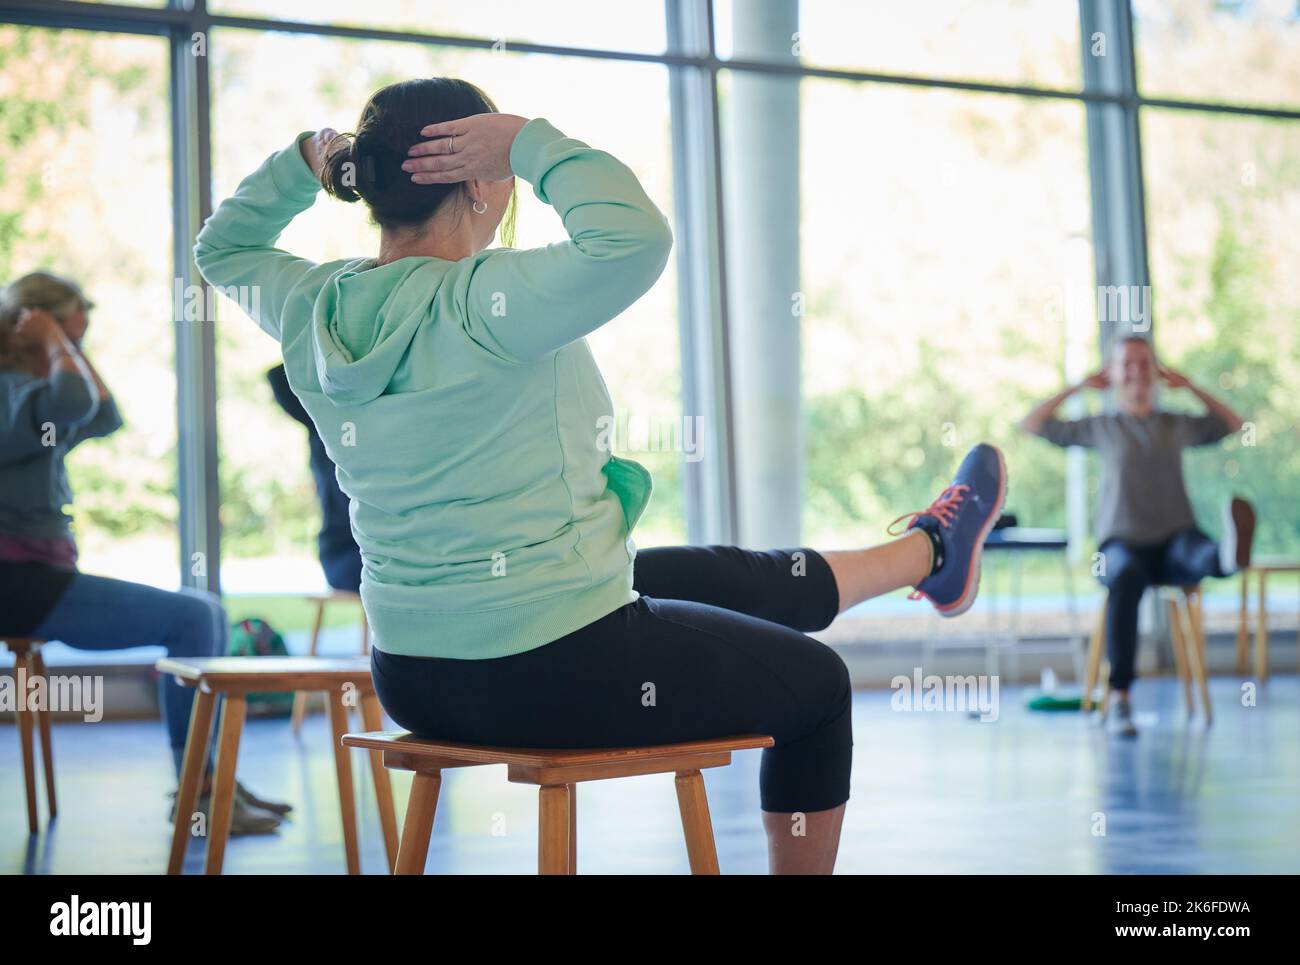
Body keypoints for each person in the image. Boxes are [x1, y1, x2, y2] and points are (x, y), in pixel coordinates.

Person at [194, 77, 1008, 874]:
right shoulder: (488, 300)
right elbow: (636, 237)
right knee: (819, 688)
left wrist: (306, 161)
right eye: (500, 167)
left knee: (701, 575)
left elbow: (220, 248)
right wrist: (530, 142)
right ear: (477, 181)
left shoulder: (312, 307)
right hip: (550, 673)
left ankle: (930, 555)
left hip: (413, 673)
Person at [0, 271, 288, 834]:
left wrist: (61, 343)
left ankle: (209, 778)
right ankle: (200, 791)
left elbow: (104, 414)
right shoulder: (12, 394)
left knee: (206, 612)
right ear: (29, 330)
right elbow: (78, 398)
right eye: (69, 339)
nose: (74, 354)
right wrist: (57, 342)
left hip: (36, 580)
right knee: (193, 618)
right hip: (17, 584)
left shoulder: (34, 397)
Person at [1020, 334, 1254, 737]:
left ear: (1157, 372)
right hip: (1120, 545)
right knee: (1124, 577)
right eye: (1126, 364)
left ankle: (1228, 556)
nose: (1136, 372)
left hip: (1175, 540)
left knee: (1197, 552)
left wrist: (1190, 386)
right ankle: (1120, 698)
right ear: (1111, 373)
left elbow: (1235, 424)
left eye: (1145, 364)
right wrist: (1079, 386)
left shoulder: (1175, 424)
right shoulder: (1101, 426)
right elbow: (1031, 424)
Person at [267, 363, 361, 592]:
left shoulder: (361, 428)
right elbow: (278, 377)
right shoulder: (322, 431)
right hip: (344, 555)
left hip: (368, 548)